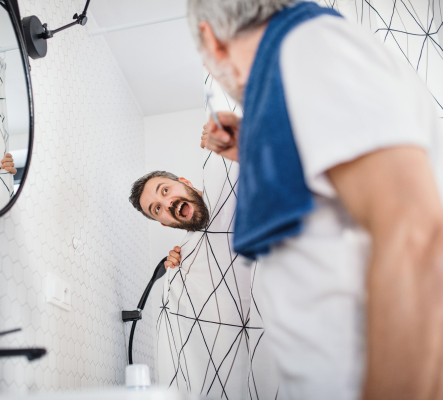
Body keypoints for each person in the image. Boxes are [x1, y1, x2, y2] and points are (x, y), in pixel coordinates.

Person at [188, 0, 443, 398]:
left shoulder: (308, 48)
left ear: (211, 40)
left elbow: (416, 236)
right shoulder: (308, 53)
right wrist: (261, 143)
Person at [129, 155, 279, 399]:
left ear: (186, 182)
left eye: (165, 190)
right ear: (163, 224)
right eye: (157, 209)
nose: (166, 203)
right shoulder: (183, 265)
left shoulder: (238, 189)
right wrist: (179, 275)